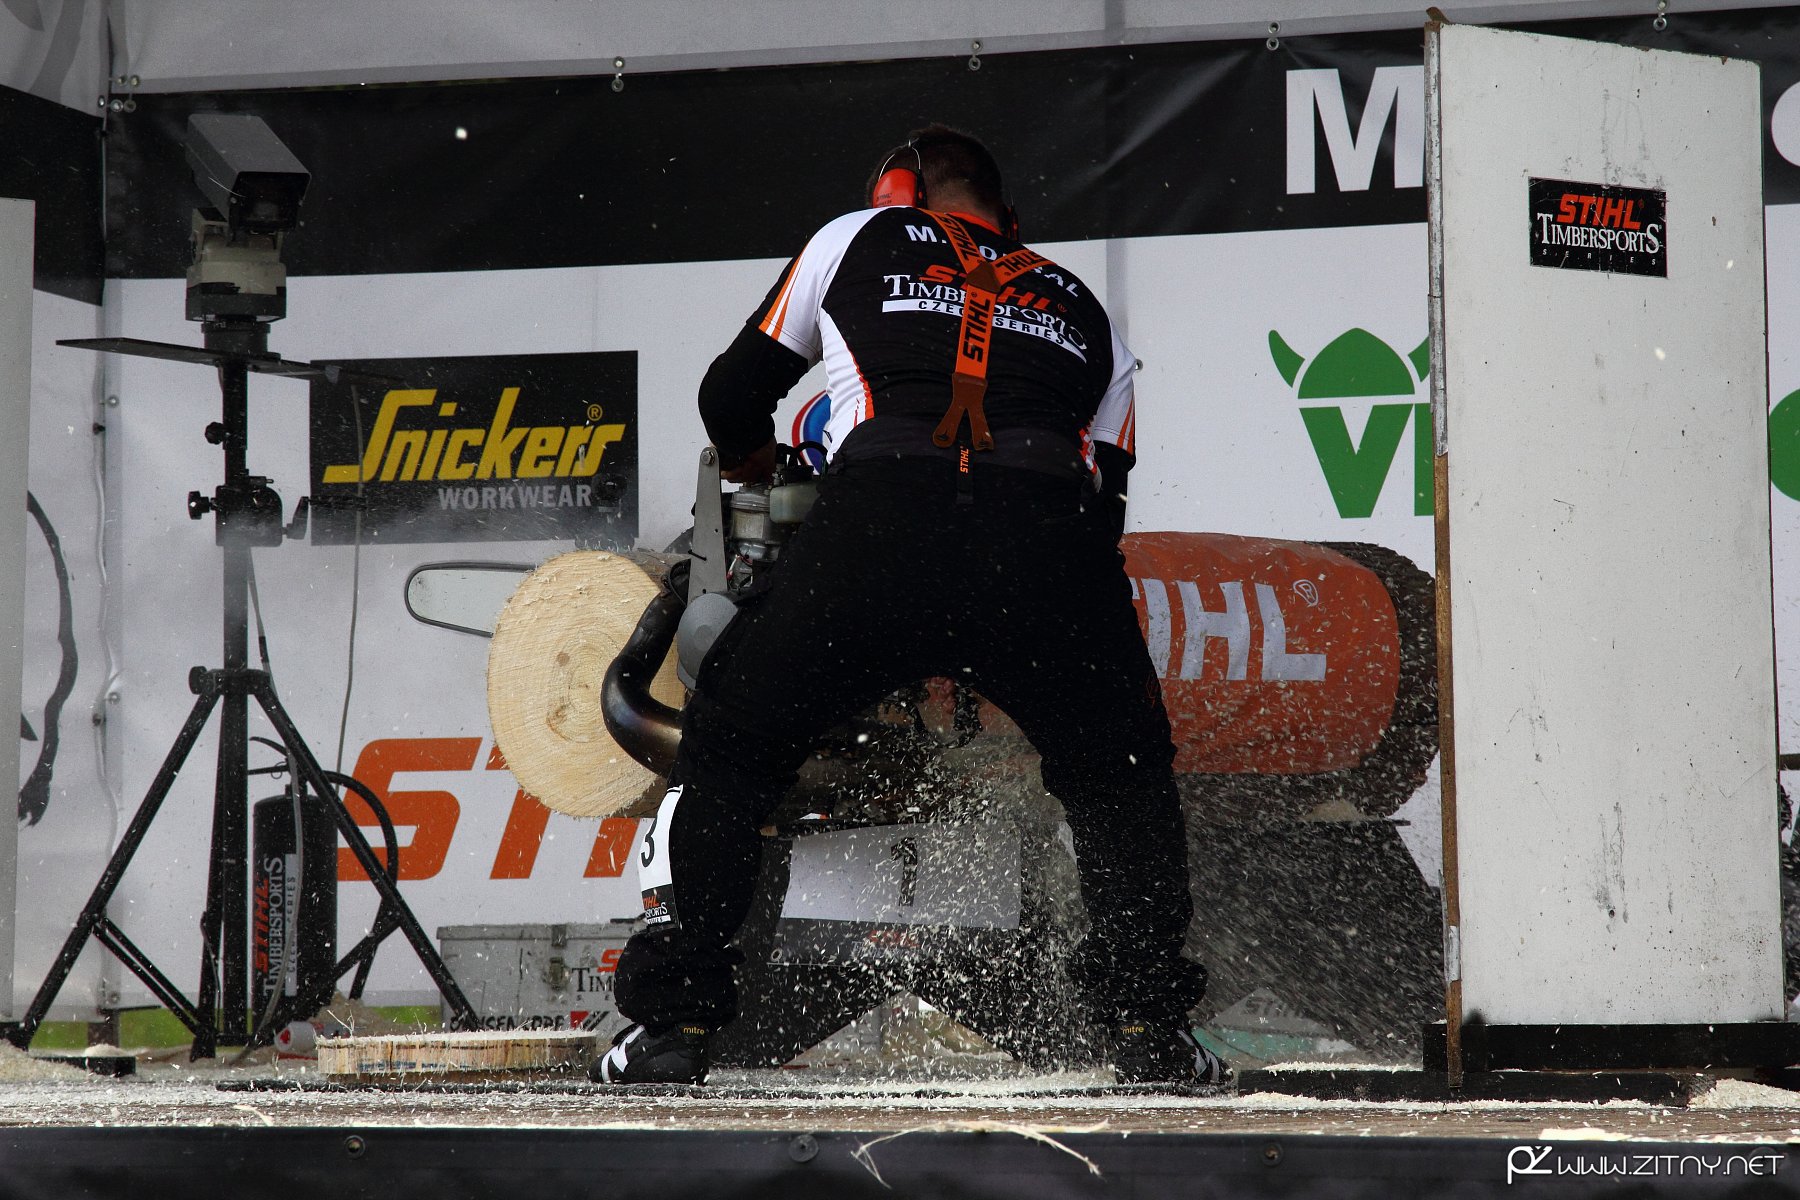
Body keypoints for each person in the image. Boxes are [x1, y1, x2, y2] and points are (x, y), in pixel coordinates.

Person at [595, 125, 1223, 1088]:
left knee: (731, 746)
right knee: (1121, 779)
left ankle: (675, 1024)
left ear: (898, 193)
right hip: (1044, 541)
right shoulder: (1087, 309)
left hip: (879, 526)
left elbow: (732, 395)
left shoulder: (853, 238)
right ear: (1009, 216)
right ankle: (1148, 1032)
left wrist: (759, 464)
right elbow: (1105, 505)